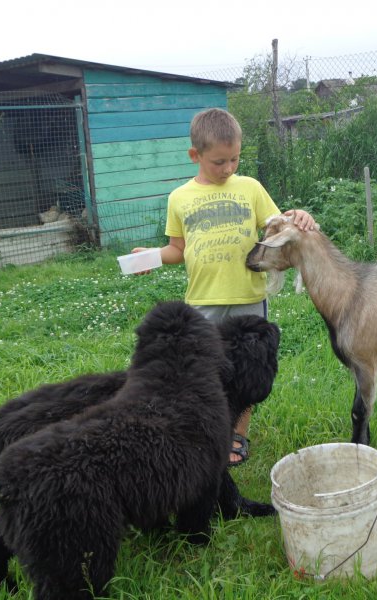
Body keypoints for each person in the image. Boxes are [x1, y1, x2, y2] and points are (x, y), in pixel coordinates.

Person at [132, 107, 315, 466]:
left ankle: (236, 436)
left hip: (248, 297)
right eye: (219, 161)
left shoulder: (250, 188)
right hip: (203, 301)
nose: (229, 168)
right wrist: (152, 256)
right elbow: (177, 250)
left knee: (245, 370)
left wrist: (298, 216)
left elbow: (277, 227)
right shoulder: (179, 198)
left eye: (234, 159)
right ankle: (203, 432)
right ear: (195, 155)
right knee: (202, 369)